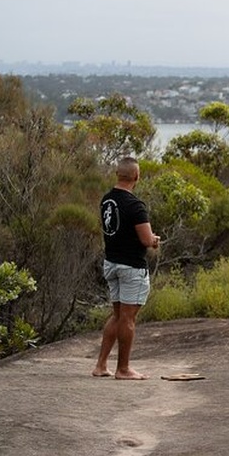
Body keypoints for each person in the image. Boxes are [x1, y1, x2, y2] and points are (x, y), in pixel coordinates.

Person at [92, 157, 160, 380]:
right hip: (131, 267)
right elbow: (145, 239)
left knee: (118, 314)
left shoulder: (106, 200)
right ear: (136, 177)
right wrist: (154, 240)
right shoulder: (135, 205)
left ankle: (101, 365)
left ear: (118, 174)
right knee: (128, 318)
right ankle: (123, 369)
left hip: (111, 263)